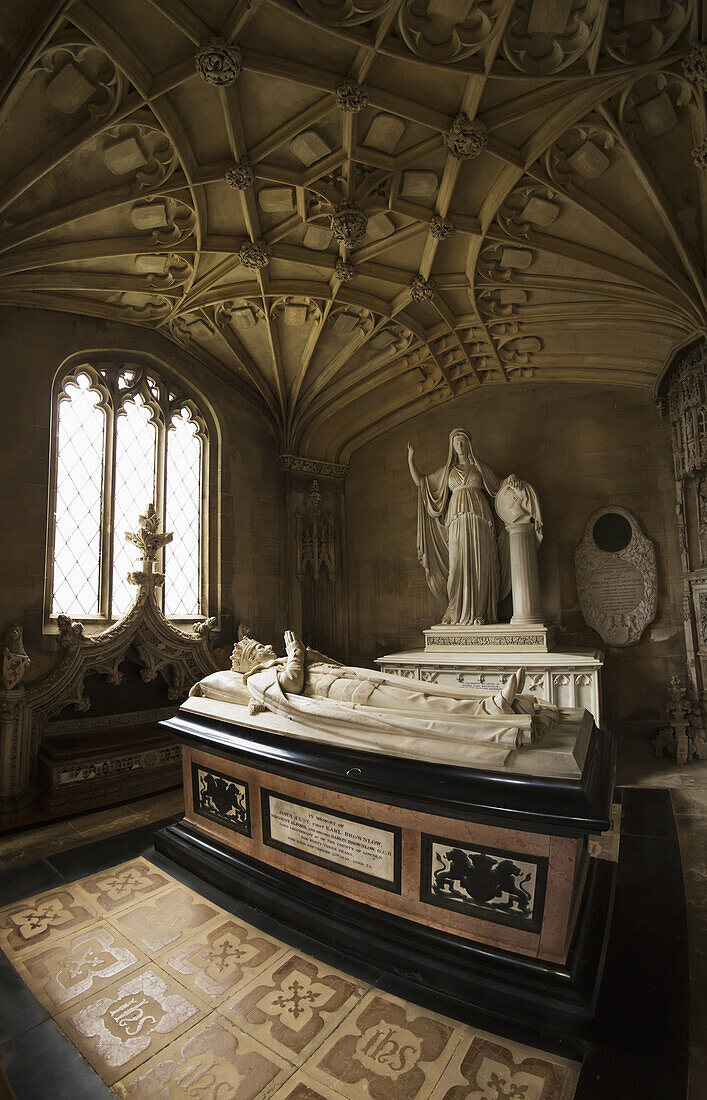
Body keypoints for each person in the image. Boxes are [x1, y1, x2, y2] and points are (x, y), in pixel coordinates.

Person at [189, 631, 558, 768]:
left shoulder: (278, 661)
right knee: (420, 709)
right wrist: (295, 654)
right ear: (250, 662)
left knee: (420, 693)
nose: (264, 646)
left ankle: (490, 705)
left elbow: (324, 664)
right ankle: (490, 712)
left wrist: (307, 654)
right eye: (257, 647)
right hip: (347, 698)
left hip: (356, 682)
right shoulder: (258, 678)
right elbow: (293, 685)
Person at [408, 428, 541, 626]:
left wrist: (512, 476)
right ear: (451, 447)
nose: (459, 446)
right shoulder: (448, 472)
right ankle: (455, 611)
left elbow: (499, 485)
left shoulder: (480, 468)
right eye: (456, 443)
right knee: (457, 565)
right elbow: (422, 482)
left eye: (462, 442)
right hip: (456, 518)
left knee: (480, 564)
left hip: (479, 516)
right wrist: (411, 460)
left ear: (468, 444)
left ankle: (480, 612)